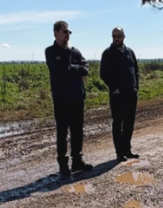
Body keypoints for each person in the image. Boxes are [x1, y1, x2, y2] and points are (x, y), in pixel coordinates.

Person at [44, 20, 92, 177]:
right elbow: (62, 69)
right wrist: (68, 56)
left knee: (77, 131)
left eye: (69, 32)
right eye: (65, 32)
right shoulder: (50, 52)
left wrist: (72, 67)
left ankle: (77, 161)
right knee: (62, 133)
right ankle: (63, 165)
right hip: (61, 99)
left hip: (77, 98)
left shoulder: (75, 51)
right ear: (56, 33)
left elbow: (85, 69)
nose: (68, 35)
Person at [99, 27, 140, 160]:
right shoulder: (108, 53)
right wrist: (114, 88)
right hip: (117, 95)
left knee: (129, 122)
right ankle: (119, 152)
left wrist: (136, 87)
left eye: (118, 36)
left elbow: (135, 70)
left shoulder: (130, 52)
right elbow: (103, 74)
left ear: (124, 36)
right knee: (118, 123)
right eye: (114, 36)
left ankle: (127, 150)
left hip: (131, 93)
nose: (116, 38)